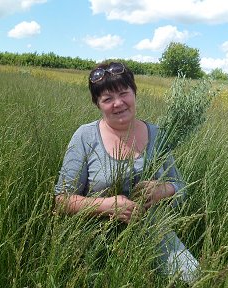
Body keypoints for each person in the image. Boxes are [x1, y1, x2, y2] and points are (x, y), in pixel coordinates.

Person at [54, 62, 199, 283]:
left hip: (151, 229)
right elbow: (62, 200)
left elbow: (180, 185)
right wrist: (106, 206)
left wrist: (164, 189)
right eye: (107, 98)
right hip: (95, 234)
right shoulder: (85, 136)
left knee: (193, 276)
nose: (118, 103)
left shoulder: (157, 134)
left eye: (124, 93)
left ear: (134, 93)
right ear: (97, 104)